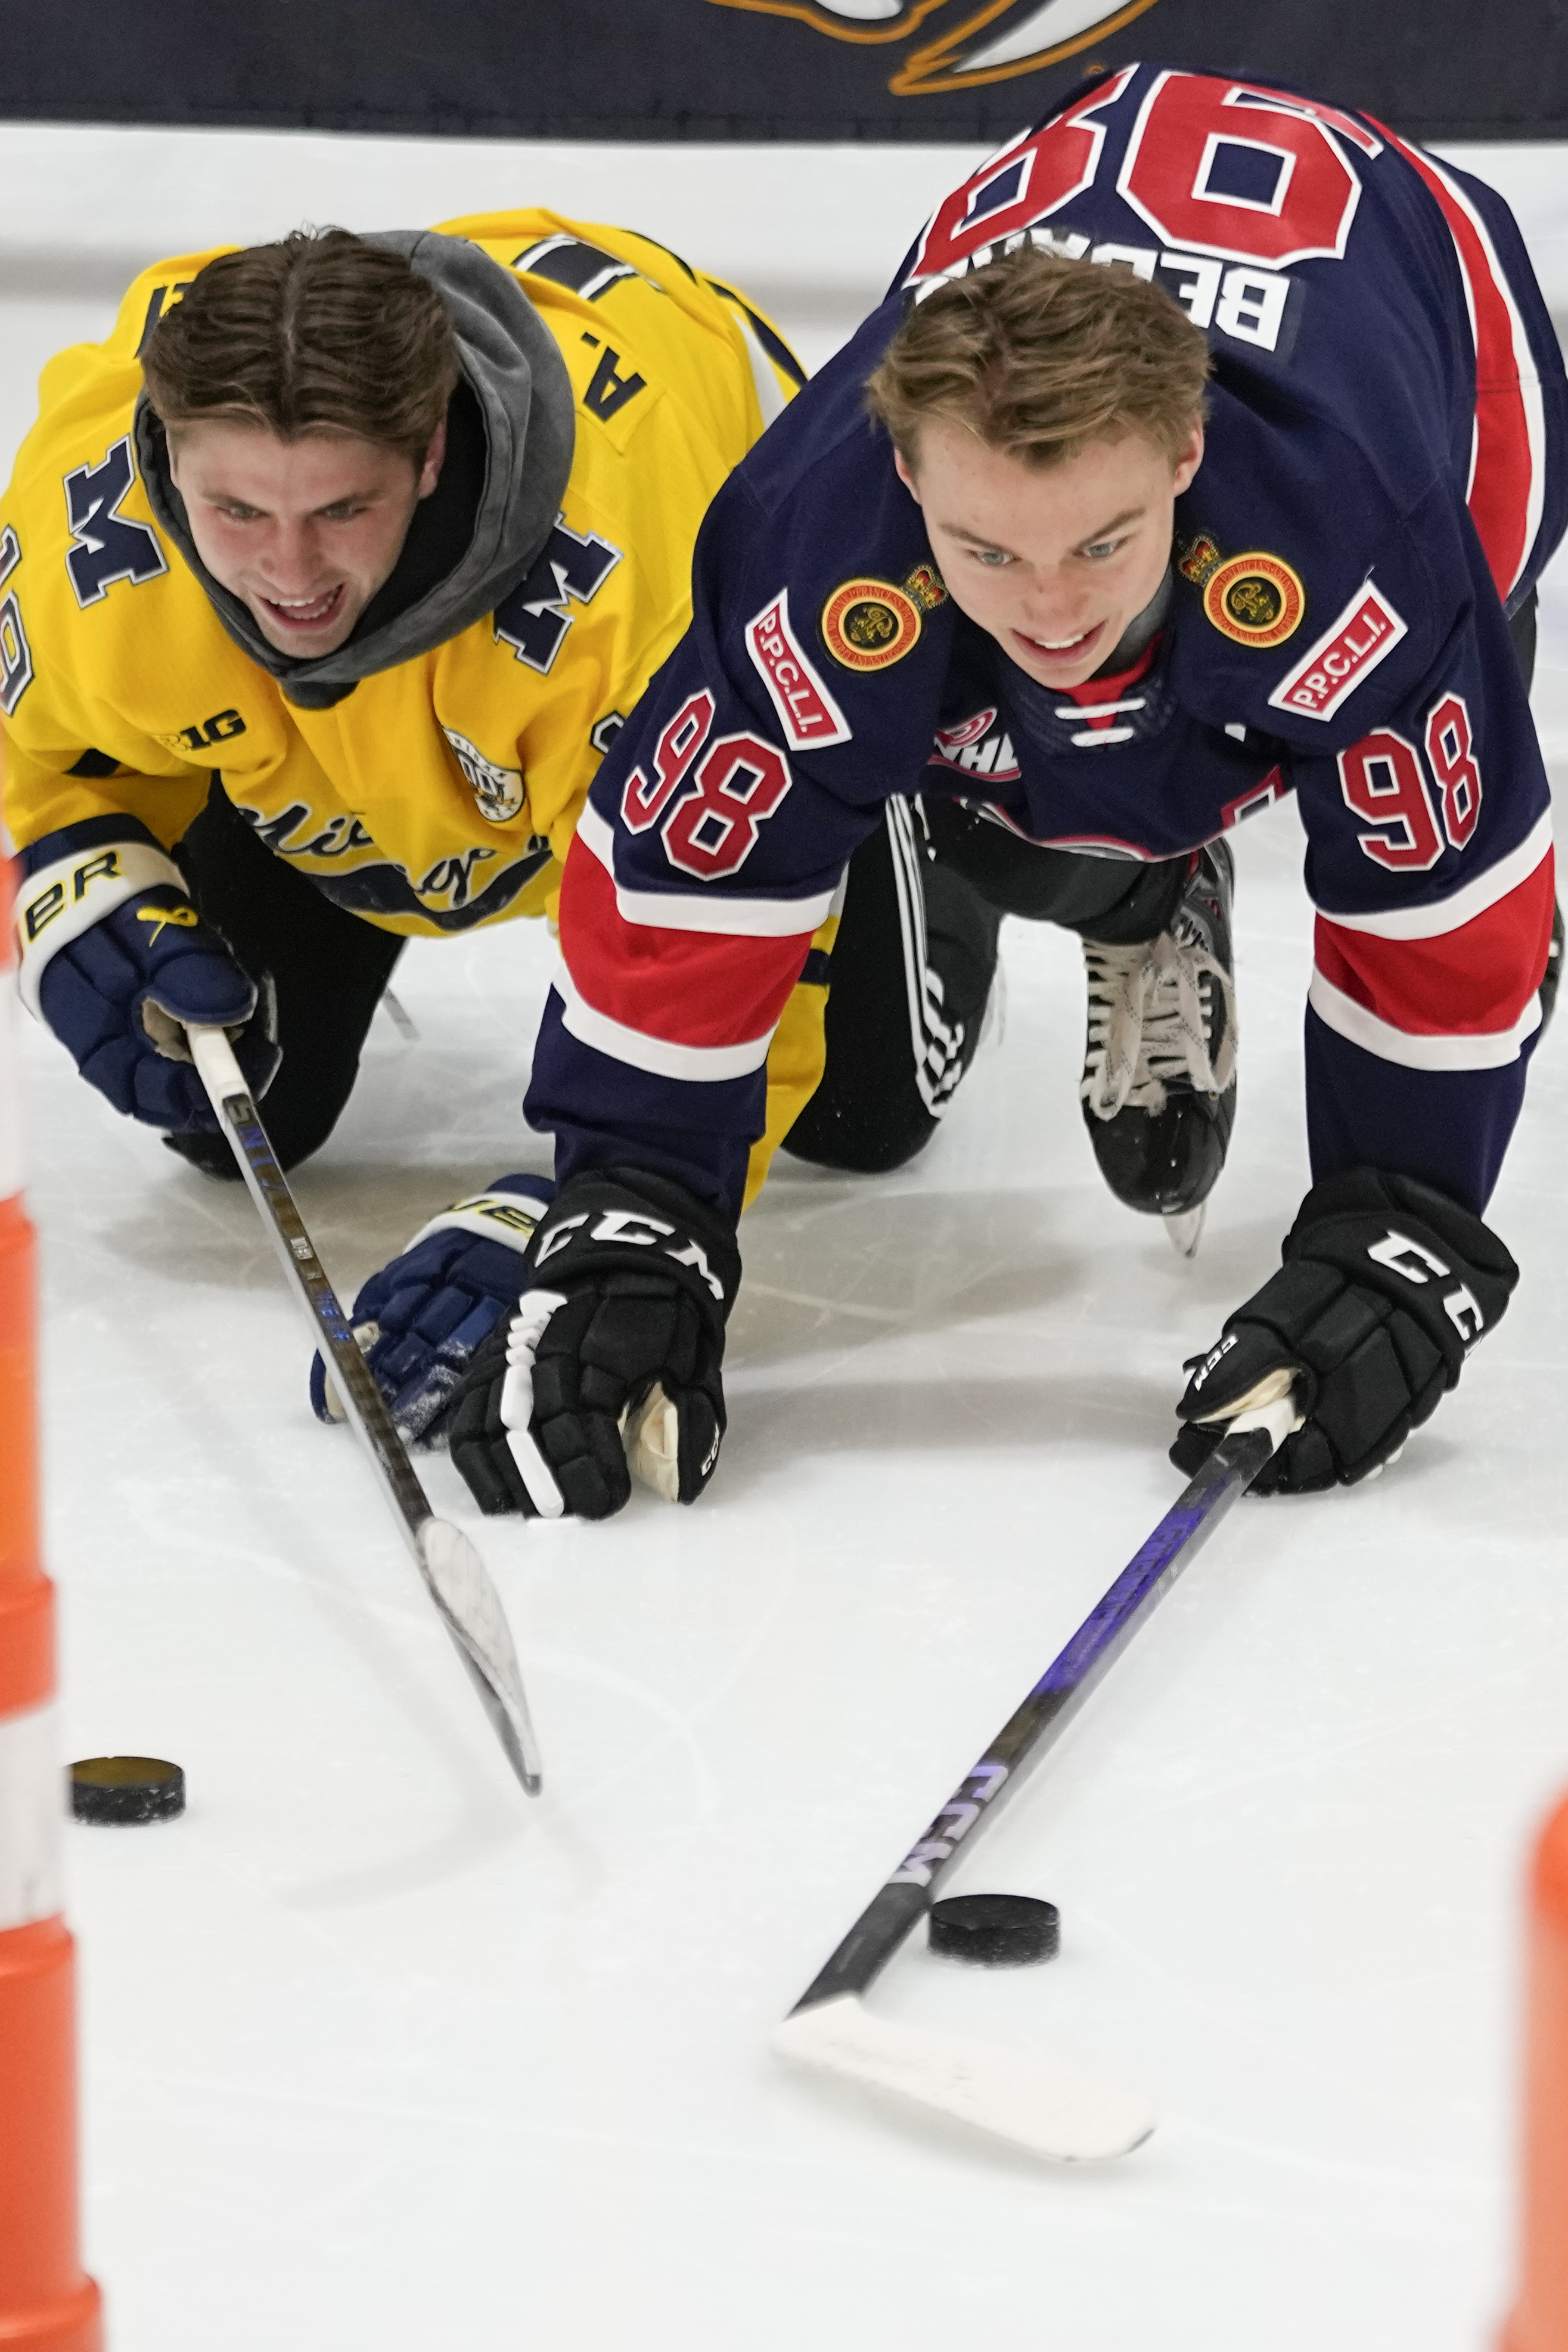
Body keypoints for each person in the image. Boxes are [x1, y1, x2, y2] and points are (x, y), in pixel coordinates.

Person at [400, 63, 1565, 1522]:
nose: (1052, 609)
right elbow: (685, 885)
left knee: (1427, 786)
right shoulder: (809, 544)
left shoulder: (1359, 541)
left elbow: (1436, 901)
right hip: (1078, 495)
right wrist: (639, 1207)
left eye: (1099, 539)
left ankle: (1167, 824)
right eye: (988, 549)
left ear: (1186, 448)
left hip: (1418, 278)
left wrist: (1398, 1223)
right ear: (900, 464)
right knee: (988, 766)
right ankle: (1147, 868)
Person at [1, 208, 812, 1289]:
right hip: (369, 797)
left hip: (736, 687)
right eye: (236, 509)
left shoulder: (638, 606)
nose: (288, 572)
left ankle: (903, 840)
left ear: (432, 451)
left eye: (342, 508)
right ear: (164, 447)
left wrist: (609, 1210)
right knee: (234, 1109)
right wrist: (82, 875)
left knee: (861, 1118)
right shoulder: (90, 540)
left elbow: (712, 932)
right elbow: (46, 757)